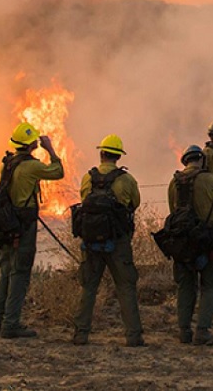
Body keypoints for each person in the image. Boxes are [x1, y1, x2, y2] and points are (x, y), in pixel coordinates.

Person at [0, 121, 64, 339]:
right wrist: (51, 150)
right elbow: (58, 171)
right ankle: (11, 324)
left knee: (6, 272)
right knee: (20, 274)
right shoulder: (31, 166)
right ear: (31, 144)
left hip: (6, 224)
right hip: (23, 226)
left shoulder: (8, 164)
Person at [72, 134, 145, 346]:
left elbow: (84, 200)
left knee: (88, 287)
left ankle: (81, 334)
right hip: (118, 242)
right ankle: (133, 336)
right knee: (126, 286)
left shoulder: (88, 177)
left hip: (91, 242)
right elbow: (135, 203)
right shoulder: (127, 180)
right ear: (118, 157)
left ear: (101, 154)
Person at [167, 144, 213, 345]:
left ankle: (184, 331)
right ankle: (203, 330)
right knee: (211, 284)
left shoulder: (174, 182)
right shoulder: (208, 179)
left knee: (185, 286)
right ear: (201, 160)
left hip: (182, 242)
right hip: (207, 240)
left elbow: (173, 208)